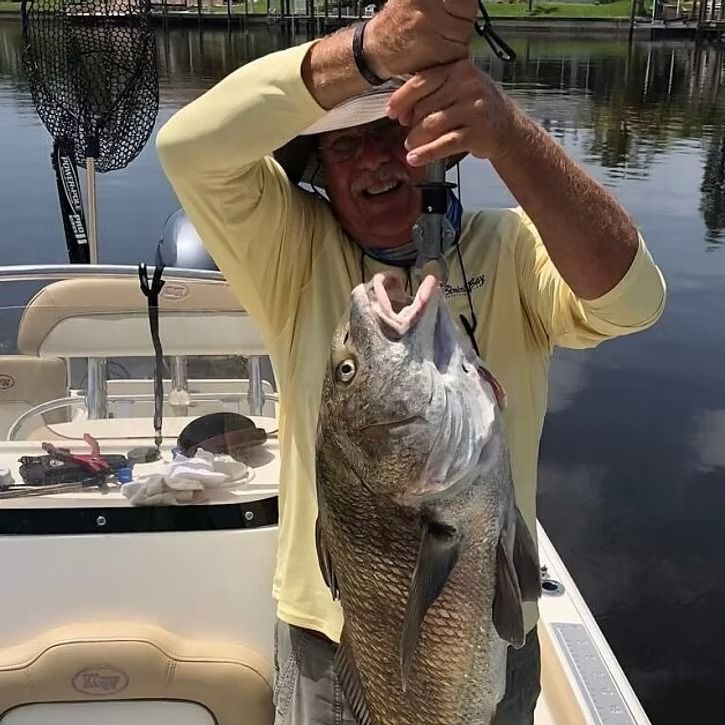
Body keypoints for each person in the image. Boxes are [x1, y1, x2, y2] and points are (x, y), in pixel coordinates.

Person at [155, 0, 666, 722]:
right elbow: (187, 148)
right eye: (341, 145)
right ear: (319, 176)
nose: (370, 159)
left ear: (438, 145)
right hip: (332, 640)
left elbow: (634, 301)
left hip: (485, 630)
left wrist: (509, 135)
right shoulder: (293, 256)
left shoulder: (511, 248)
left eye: (391, 130)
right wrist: (366, 51)